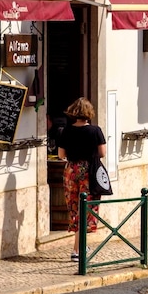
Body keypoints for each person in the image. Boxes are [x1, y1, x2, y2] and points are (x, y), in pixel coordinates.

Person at [56, 97, 107, 261]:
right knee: (86, 207)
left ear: (74, 112)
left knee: (75, 207)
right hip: (88, 172)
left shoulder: (66, 131)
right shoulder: (95, 131)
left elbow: (61, 155)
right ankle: (77, 250)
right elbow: (102, 153)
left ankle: (80, 246)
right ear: (89, 113)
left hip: (71, 171)